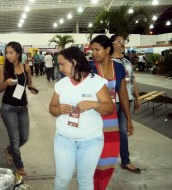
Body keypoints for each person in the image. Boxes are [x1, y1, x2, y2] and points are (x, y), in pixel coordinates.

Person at [49, 46, 114, 190]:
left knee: (85, 180)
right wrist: (59, 109)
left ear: (73, 62)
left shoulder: (96, 82)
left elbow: (109, 108)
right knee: (62, 178)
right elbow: (52, 108)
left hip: (91, 141)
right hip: (64, 139)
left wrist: (94, 104)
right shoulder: (61, 84)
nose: (59, 68)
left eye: (61, 64)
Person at [90, 35, 134, 190]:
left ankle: (102, 185)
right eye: (92, 49)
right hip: (93, 117)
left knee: (110, 154)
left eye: (97, 49)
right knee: (95, 155)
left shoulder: (119, 68)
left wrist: (128, 119)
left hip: (111, 117)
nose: (94, 53)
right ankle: (93, 185)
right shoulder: (90, 68)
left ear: (107, 50)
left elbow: (122, 94)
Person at [0, 41, 38, 178]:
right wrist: (6, 83)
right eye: (6, 52)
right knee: (15, 140)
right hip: (8, 108)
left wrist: (32, 88)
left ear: (18, 53)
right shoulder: (3, 69)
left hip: (23, 107)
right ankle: (19, 167)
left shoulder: (26, 67)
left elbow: (29, 83)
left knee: (24, 138)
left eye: (11, 52)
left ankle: (9, 150)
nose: (8, 55)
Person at [110, 34, 141, 173]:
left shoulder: (127, 61)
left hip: (126, 99)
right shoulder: (108, 61)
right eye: (119, 41)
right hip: (111, 101)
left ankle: (125, 161)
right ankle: (103, 159)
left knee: (123, 131)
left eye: (123, 41)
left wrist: (137, 96)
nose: (122, 43)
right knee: (107, 131)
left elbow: (133, 79)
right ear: (112, 44)